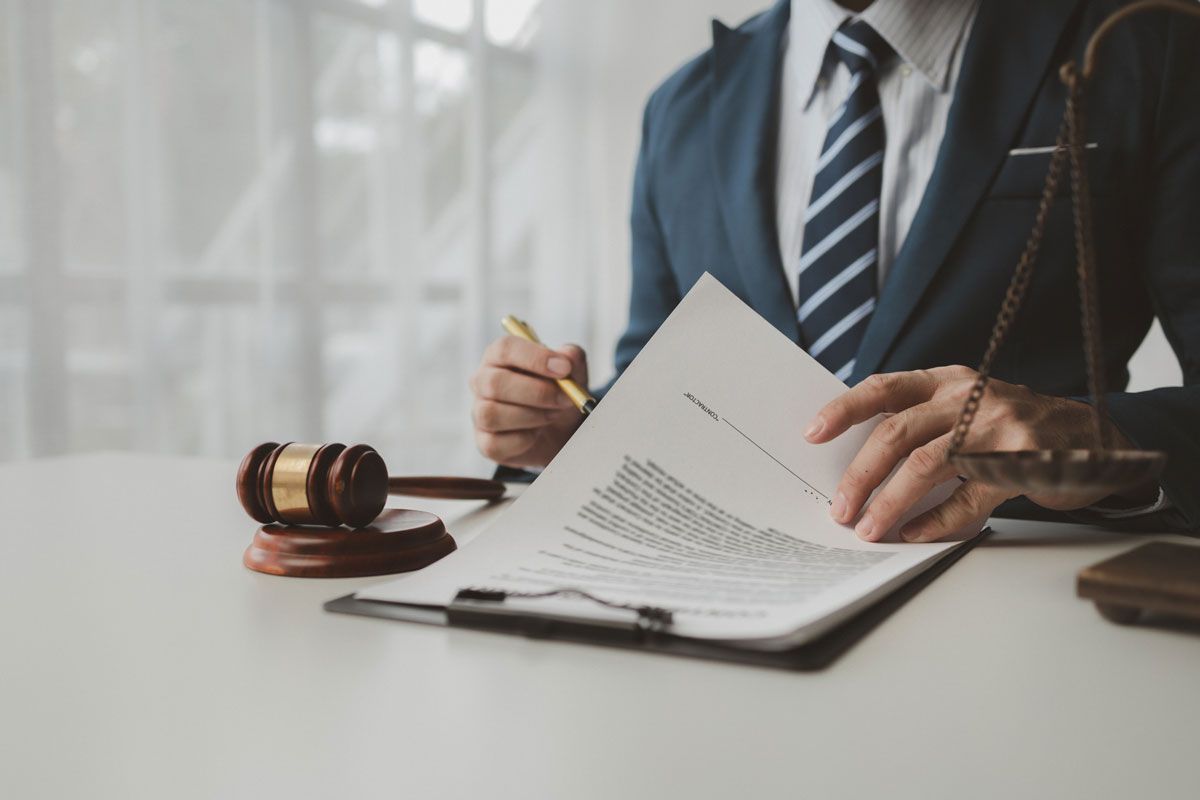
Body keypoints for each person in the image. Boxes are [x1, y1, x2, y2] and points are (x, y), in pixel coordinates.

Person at [469, 0, 1200, 539]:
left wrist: (1099, 436)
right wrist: (572, 433)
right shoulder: (679, 109)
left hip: (1023, 595)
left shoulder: (1145, 50)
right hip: (724, 601)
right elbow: (657, 384)